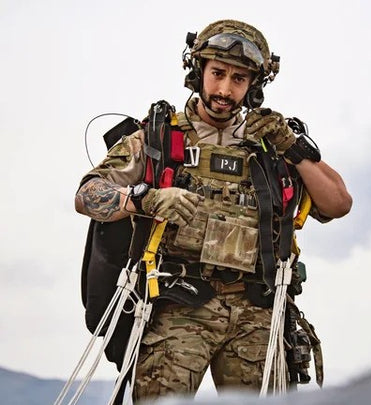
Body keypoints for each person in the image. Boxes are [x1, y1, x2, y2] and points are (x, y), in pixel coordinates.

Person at [74, 19, 352, 402]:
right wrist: (144, 199)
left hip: (258, 313)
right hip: (180, 306)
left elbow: (339, 203)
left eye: (239, 79)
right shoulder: (159, 138)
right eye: (217, 73)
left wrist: (294, 148)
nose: (225, 89)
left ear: (253, 86)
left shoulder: (272, 145)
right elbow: (88, 195)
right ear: (197, 71)